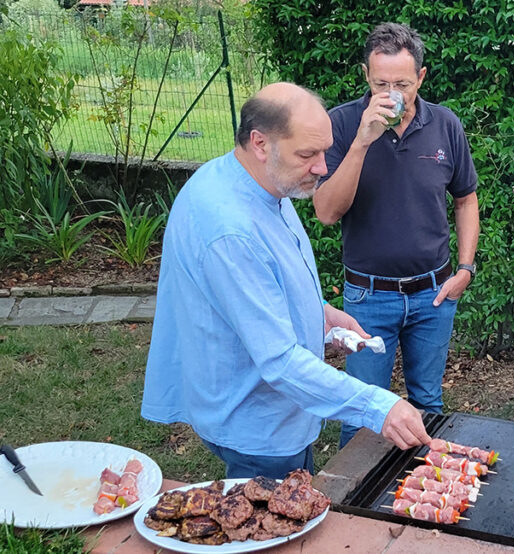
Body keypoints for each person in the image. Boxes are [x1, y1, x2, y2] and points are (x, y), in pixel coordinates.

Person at [141, 82, 431, 479]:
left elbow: (263, 285)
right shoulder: (230, 229)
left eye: (324, 151)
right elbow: (278, 361)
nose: (322, 167)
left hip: (271, 410)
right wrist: (379, 407)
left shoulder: (260, 180)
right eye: (307, 155)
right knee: (276, 514)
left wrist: (319, 312)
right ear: (260, 143)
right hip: (258, 425)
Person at [313, 23, 479, 446]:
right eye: (380, 83)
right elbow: (327, 212)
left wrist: (465, 269)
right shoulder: (342, 124)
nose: (391, 93)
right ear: (366, 76)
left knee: (428, 404)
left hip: (433, 294)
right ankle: (356, 492)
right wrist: (362, 142)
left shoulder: (445, 124)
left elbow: (465, 199)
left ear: (420, 77)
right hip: (369, 298)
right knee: (361, 412)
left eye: (402, 84)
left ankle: (423, 486)